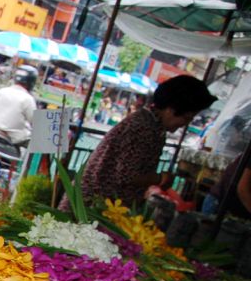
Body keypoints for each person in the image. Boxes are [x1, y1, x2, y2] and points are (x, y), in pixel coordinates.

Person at [60, 75, 217, 211]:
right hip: (90, 207)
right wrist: (160, 178)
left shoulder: (152, 125)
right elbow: (128, 175)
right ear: (171, 109)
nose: (185, 124)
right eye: (186, 118)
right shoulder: (144, 127)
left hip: (99, 206)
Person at [0, 65, 39, 148]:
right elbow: (34, 121)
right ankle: (22, 161)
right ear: (32, 82)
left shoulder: (2, 91)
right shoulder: (28, 99)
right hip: (12, 137)